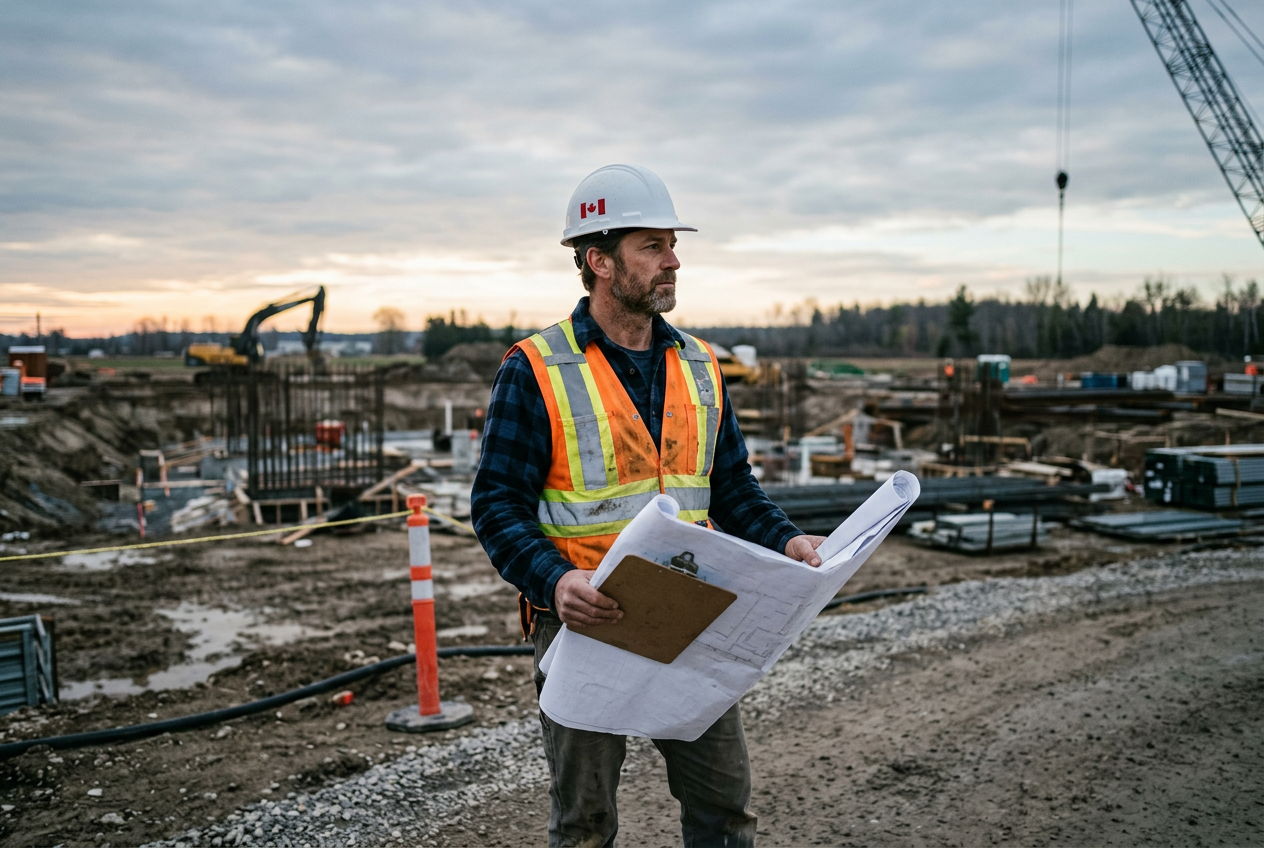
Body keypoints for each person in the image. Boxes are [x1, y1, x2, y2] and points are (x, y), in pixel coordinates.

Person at [471, 164, 825, 847]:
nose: (673, 260)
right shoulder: (535, 368)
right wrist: (555, 581)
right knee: (585, 824)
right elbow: (496, 505)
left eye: (672, 245)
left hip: (689, 614)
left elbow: (732, 486)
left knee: (724, 809)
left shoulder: (700, 364)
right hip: (584, 623)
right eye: (653, 246)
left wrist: (788, 542)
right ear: (599, 261)